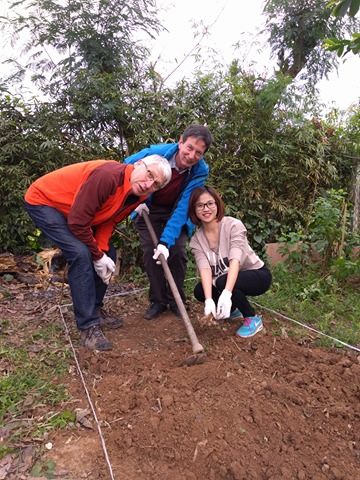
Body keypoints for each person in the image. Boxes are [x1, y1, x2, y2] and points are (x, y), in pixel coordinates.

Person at [24, 156, 172, 351]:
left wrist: (102, 252)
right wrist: (96, 255)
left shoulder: (139, 195)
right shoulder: (108, 176)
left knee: (109, 251)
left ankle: (95, 307)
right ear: (138, 165)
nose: (148, 184)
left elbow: (108, 221)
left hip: (74, 211)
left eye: (156, 184)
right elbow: (78, 222)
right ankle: (88, 326)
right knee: (80, 253)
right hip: (45, 201)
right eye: (149, 174)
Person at [124, 124, 213, 320]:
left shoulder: (200, 171)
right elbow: (125, 169)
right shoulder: (156, 154)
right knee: (150, 251)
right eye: (189, 148)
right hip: (147, 207)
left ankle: (176, 300)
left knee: (178, 251)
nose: (191, 156)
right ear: (180, 141)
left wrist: (165, 242)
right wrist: (135, 202)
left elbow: (183, 207)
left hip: (175, 211)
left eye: (198, 153)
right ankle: (158, 301)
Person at [188, 186, 272, 338]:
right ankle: (233, 310)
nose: (205, 209)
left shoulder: (233, 225)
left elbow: (235, 260)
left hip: (256, 275)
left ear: (217, 204)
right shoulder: (196, 240)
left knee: (222, 282)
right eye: (200, 205)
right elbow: (205, 269)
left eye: (210, 203)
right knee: (200, 290)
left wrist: (226, 294)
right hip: (226, 279)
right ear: (194, 210)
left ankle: (252, 318)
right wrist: (208, 300)